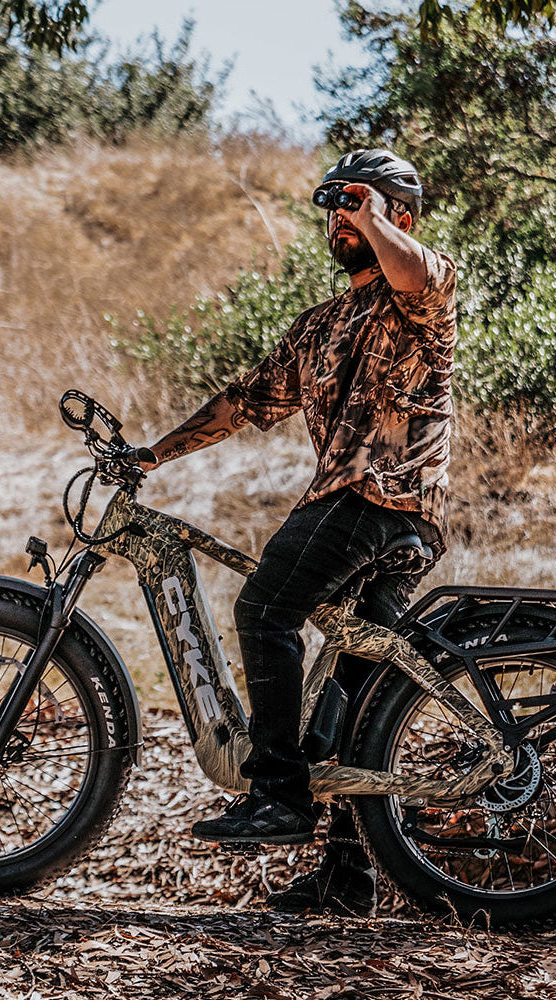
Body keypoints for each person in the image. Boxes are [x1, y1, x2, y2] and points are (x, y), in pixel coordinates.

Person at [137, 148, 457, 916]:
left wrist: (377, 218)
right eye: (336, 208)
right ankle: (348, 881)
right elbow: (244, 402)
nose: (341, 219)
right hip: (370, 515)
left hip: (378, 501)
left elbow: (413, 271)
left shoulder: (423, 290)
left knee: (264, 610)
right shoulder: (320, 326)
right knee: (354, 692)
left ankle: (278, 795)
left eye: (359, 205)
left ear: (398, 216)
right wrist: (152, 454)